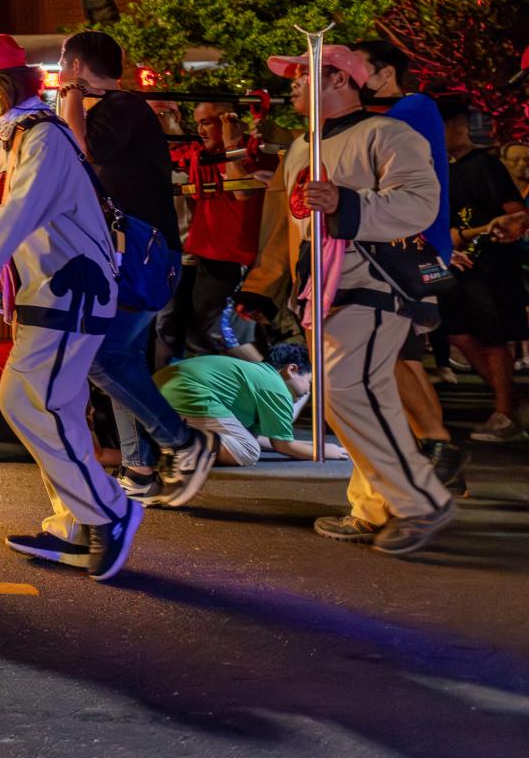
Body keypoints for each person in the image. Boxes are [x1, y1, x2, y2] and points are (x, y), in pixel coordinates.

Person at [0, 34, 140, 580]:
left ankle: (106, 513)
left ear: (1, 85)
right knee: (52, 408)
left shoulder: (42, 140)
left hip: (70, 291)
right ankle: (77, 522)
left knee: (28, 402)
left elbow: (13, 215)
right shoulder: (14, 140)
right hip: (51, 293)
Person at [237, 46, 454, 555]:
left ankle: (421, 500)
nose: (292, 82)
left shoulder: (386, 133)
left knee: (347, 392)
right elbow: (284, 227)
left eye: (302, 74)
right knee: (353, 399)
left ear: (338, 79)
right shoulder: (300, 148)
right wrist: (264, 287)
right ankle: (376, 504)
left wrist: (346, 203)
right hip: (322, 293)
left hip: (375, 286)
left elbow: (422, 202)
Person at [58, 30, 217, 510]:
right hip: (129, 256)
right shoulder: (113, 110)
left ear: (77, 65)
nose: (60, 76)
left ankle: (183, 441)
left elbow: (81, 150)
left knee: (103, 358)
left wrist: (70, 100)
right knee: (118, 359)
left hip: (145, 257)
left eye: (65, 67)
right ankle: (140, 468)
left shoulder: (124, 107)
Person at [353, 39, 466, 491]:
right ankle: (440, 457)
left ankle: (438, 446)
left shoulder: (414, 107)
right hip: (401, 247)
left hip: (409, 247)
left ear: (386, 74)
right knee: (403, 355)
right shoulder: (391, 113)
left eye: (357, 70)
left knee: (392, 353)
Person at [437, 95, 528, 443]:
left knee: (492, 338)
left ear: (457, 126)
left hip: (490, 267)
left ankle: (505, 413)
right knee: (458, 333)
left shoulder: (486, 166)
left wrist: (488, 229)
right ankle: (509, 404)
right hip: (461, 267)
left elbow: (515, 212)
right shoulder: (448, 169)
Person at [162, 103, 264, 361]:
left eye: (207, 122)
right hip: (208, 254)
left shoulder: (250, 150)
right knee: (199, 332)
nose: (200, 130)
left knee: (212, 333)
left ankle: (284, 386)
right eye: (198, 123)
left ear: (228, 121)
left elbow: (241, 191)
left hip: (230, 255)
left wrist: (232, 145)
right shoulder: (205, 155)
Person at [155, 342, 346, 467]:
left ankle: (166, 439)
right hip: (187, 392)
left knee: (247, 441)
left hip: (165, 390)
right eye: (309, 383)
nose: (308, 392)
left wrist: (317, 444)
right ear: (292, 370)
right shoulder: (276, 386)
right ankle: (177, 447)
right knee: (247, 452)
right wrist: (327, 451)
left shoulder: (259, 377)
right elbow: (283, 446)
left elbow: (264, 438)